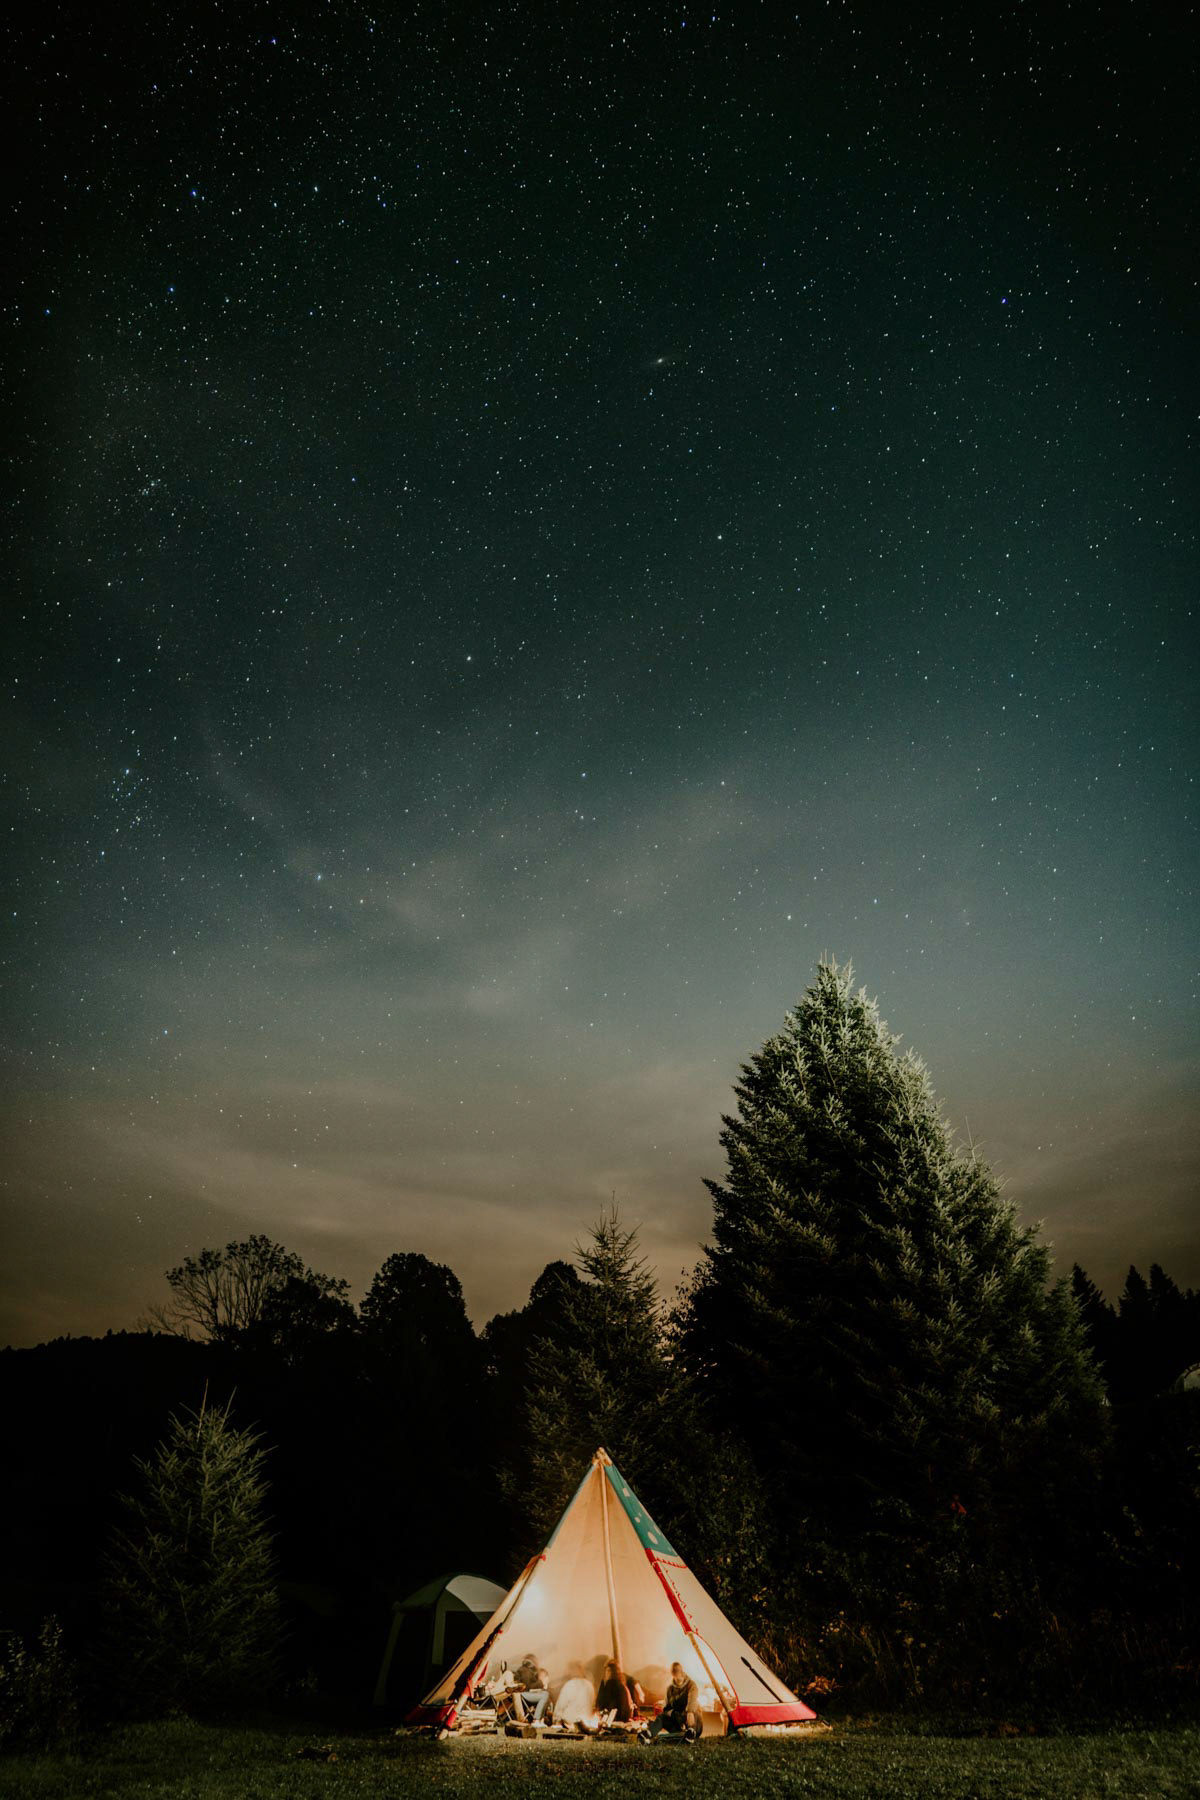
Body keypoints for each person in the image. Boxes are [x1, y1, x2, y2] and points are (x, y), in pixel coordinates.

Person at [640, 1662, 699, 1742]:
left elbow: (692, 1700)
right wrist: (669, 1712)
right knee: (661, 1717)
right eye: (676, 1674)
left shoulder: (691, 1685)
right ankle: (648, 1734)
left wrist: (690, 1712)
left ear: (682, 1672)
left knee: (694, 1711)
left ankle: (690, 1734)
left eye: (679, 1673)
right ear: (672, 1674)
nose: (679, 1678)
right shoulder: (670, 1689)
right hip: (678, 1722)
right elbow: (667, 1709)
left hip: (692, 1721)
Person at [553, 1661, 596, 1728]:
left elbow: (560, 1706)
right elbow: (592, 1704)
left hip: (569, 1722)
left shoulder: (569, 1685)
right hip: (585, 1723)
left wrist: (555, 1718)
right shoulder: (590, 1685)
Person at [511, 1651, 550, 1724]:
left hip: (524, 1693)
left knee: (545, 1693)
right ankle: (536, 1720)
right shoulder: (525, 1670)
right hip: (522, 1694)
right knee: (545, 1695)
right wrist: (541, 1682)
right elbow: (527, 1686)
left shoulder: (527, 1670)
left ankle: (540, 1720)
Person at [595, 1657, 635, 1723]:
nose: (605, 1673)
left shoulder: (611, 1684)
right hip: (623, 1718)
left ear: (610, 1671)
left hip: (613, 1719)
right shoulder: (621, 1683)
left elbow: (602, 1704)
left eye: (607, 1671)